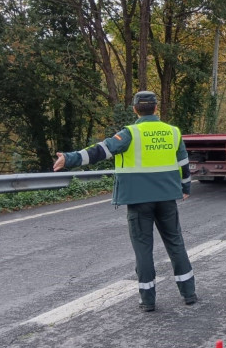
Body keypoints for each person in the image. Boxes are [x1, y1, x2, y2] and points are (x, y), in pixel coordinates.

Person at [53, 91, 196, 312]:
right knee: (176, 244)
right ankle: (189, 294)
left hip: (138, 201)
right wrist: (185, 187)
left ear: (135, 110)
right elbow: (184, 163)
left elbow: (100, 151)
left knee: (143, 249)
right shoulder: (173, 132)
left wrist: (68, 158)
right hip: (167, 198)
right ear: (156, 108)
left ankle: (148, 301)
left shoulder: (130, 134)